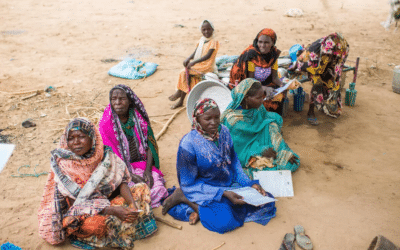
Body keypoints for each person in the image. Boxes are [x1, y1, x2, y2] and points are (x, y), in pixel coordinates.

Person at [162, 98, 276, 234]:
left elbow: (234, 164)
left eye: (217, 117)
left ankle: (206, 209)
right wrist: (223, 193)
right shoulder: (189, 144)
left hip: (228, 182)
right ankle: (186, 199)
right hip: (204, 189)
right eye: (207, 118)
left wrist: (249, 184)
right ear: (197, 119)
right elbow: (188, 184)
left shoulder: (224, 132)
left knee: (266, 201)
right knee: (224, 222)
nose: (214, 122)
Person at [38, 118, 157, 248]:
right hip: (82, 213)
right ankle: (117, 229)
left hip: (108, 202)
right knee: (97, 225)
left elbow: (121, 182)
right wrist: (113, 211)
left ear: (92, 138)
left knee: (141, 189)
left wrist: (132, 205)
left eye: (82, 136)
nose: (76, 142)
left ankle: (121, 224)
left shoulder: (105, 156)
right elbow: (76, 205)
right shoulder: (65, 165)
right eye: (71, 138)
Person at [99, 84, 168, 208]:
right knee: (129, 192)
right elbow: (110, 156)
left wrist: (147, 170)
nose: (117, 102)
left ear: (130, 101)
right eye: (114, 99)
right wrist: (131, 176)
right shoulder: (106, 123)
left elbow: (149, 146)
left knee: (156, 187)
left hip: (141, 164)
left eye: (122, 99)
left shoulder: (138, 118)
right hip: (120, 170)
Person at [221, 79, 300, 179]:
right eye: (258, 98)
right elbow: (237, 148)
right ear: (246, 98)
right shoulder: (233, 121)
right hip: (247, 151)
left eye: (262, 96)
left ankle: (281, 152)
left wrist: (282, 150)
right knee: (271, 165)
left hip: (259, 137)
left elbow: (265, 118)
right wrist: (260, 150)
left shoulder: (257, 107)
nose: (262, 100)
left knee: (271, 124)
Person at [295, 32, 349, 125]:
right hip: (310, 62)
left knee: (334, 80)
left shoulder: (344, 47)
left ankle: (329, 102)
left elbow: (338, 66)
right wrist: (325, 75)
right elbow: (318, 70)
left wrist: (332, 75)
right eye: (327, 54)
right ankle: (311, 111)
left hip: (326, 62)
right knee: (318, 81)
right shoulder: (317, 50)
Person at [230, 28, 286, 115]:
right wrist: (265, 89)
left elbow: (274, 78)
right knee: (259, 99)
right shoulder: (251, 56)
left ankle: (273, 119)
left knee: (279, 95)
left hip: (263, 83)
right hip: (249, 86)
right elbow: (250, 82)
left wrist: (283, 85)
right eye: (260, 42)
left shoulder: (273, 55)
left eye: (266, 42)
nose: (262, 45)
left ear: (272, 43)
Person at [169, 20, 220, 109]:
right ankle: (181, 99)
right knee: (186, 74)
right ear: (201, 30)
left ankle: (180, 93)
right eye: (204, 30)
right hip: (200, 64)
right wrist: (188, 58)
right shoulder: (202, 40)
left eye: (208, 29)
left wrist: (193, 62)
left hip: (207, 66)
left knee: (183, 73)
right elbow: (195, 52)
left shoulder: (213, 41)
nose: (206, 32)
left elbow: (208, 56)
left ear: (212, 30)